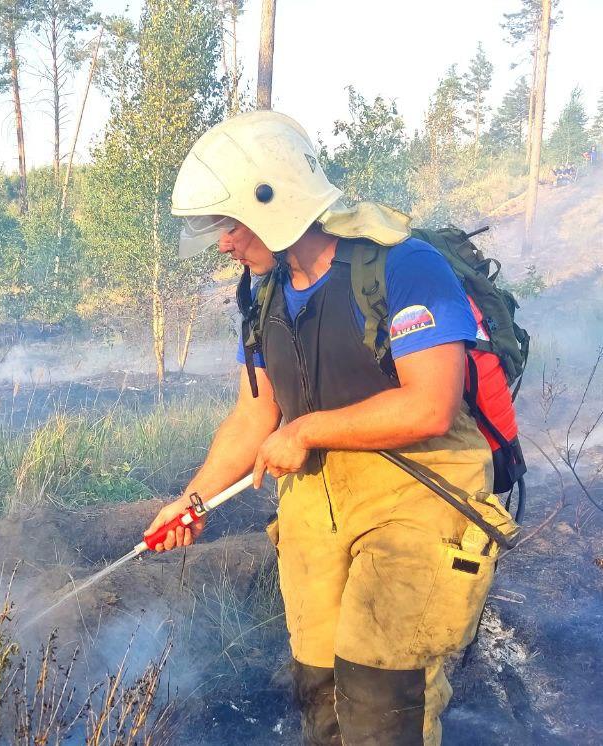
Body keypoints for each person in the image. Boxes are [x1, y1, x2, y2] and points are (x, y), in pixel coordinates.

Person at [146, 111, 515, 745]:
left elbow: (429, 405)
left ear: (276, 200)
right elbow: (255, 413)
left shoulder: (404, 268)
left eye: (229, 224)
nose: (224, 243)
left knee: (382, 708)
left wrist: (309, 429)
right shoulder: (261, 293)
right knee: (322, 698)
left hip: (418, 495)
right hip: (315, 507)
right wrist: (194, 497)